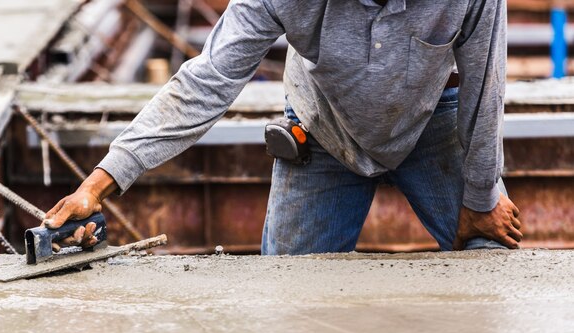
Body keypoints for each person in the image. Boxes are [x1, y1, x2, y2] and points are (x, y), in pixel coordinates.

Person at [43, 0, 523, 254]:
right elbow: (207, 81)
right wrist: (99, 183)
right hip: (323, 128)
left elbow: (485, 89)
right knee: (290, 301)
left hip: (432, 118)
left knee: (487, 251)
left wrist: (480, 199)